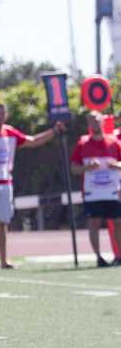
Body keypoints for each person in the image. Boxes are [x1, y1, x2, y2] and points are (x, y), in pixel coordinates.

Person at [0, 104, 65, 270]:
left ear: (6, 115)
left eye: (2, 113)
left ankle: (3, 260)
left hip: (5, 184)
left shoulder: (10, 132)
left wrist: (54, 131)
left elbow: (33, 141)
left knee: (2, 222)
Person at [70, 111, 121, 267]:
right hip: (93, 193)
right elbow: (74, 169)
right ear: (88, 124)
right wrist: (88, 167)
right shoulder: (83, 143)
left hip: (113, 192)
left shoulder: (114, 142)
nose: (95, 123)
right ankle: (99, 257)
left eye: (97, 120)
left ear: (103, 122)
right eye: (91, 121)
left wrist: (116, 165)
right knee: (94, 223)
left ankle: (119, 256)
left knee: (118, 222)